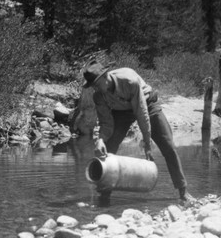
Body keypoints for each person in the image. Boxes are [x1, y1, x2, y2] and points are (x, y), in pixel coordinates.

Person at [82, 59, 193, 205]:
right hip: (121, 112)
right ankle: (104, 195)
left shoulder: (129, 80)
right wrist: (100, 140)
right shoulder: (99, 96)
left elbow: (142, 113)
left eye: (96, 84)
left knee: (168, 146)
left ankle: (183, 192)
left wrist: (147, 142)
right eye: (93, 86)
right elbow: (106, 123)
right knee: (109, 147)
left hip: (147, 103)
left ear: (105, 76)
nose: (95, 88)